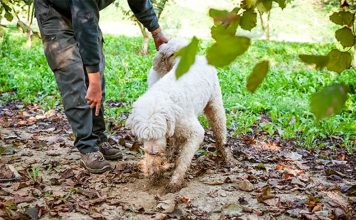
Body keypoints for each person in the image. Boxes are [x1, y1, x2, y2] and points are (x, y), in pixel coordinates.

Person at [34, 0, 168, 174]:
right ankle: (87, 147)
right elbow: (85, 24)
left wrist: (156, 32)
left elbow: (139, 1)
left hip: (84, 12)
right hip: (55, 11)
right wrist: (94, 81)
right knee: (73, 75)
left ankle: (98, 137)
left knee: (97, 76)